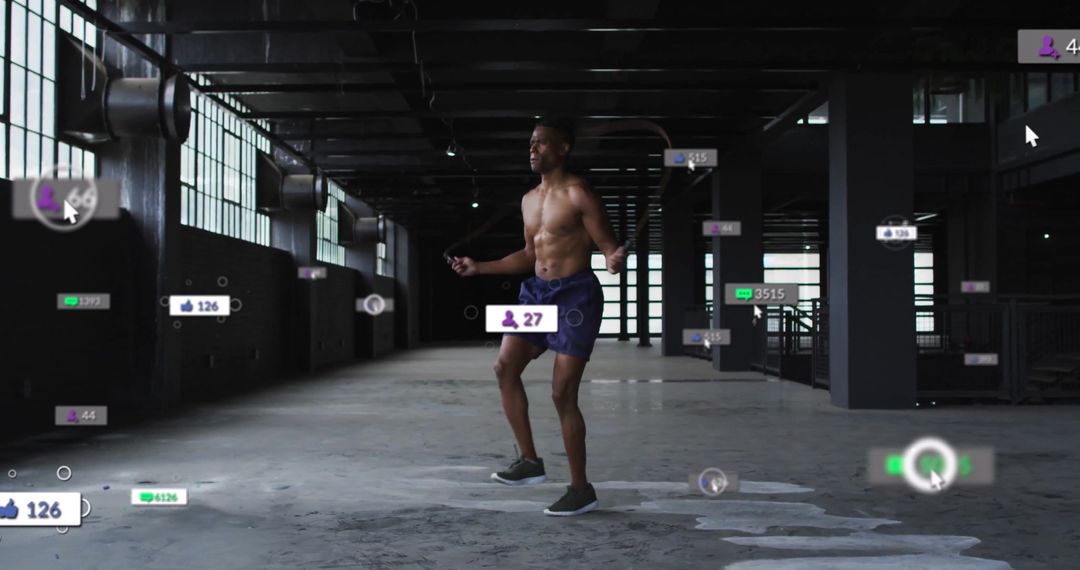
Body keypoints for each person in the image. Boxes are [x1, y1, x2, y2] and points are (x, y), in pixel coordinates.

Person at [450, 117, 626, 516]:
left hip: (576, 296)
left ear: (563, 149)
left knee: (562, 393)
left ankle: (581, 489)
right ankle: (530, 462)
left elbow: (608, 249)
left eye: (542, 143)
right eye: (531, 143)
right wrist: (480, 267)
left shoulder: (581, 194)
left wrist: (614, 260)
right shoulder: (529, 199)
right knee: (504, 367)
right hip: (534, 294)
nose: (533, 149)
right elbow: (529, 256)